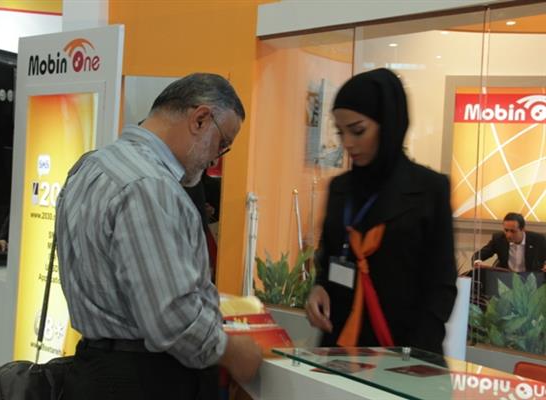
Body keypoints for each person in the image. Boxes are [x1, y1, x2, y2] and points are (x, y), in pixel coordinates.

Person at [55, 73, 262, 400]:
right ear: (200, 119)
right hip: (145, 380)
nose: (215, 159)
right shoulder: (150, 186)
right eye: (222, 143)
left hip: (94, 369)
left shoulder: (90, 166)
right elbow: (171, 318)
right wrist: (231, 351)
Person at [305, 68, 458, 355]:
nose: (347, 143)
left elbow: (440, 285)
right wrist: (319, 288)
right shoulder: (340, 189)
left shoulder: (429, 190)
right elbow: (329, 258)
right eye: (340, 132)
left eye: (357, 131)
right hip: (340, 350)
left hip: (404, 354)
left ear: (388, 124)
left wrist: (414, 358)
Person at [472, 212, 546, 272]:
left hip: (531, 280)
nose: (508, 235)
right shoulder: (499, 239)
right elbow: (478, 255)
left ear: (523, 229)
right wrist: (477, 262)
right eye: (506, 230)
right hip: (506, 279)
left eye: (513, 231)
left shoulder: (538, 240)